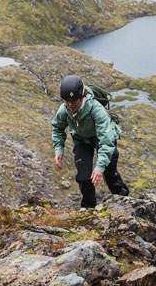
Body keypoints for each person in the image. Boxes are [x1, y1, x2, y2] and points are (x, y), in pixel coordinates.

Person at [51, 74, 129, 208]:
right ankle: (89, 209)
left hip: (103, 138)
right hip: (81, 139)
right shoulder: (64, 110)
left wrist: (99, 167)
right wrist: (59, 150)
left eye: (74, 100)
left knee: (109, 173)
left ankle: (125, 202)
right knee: (83, 177)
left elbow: (106, 141)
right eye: (67, 100)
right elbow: (57, 128)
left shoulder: (97, 110)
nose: (70, 104)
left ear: (82, 97)